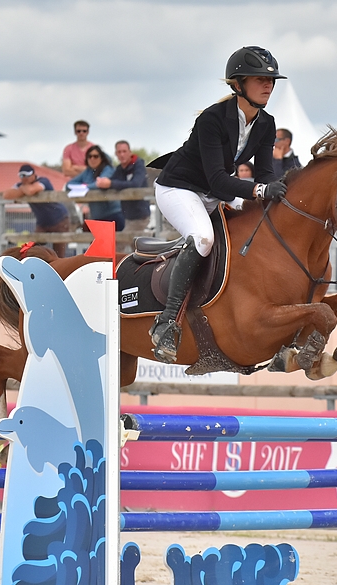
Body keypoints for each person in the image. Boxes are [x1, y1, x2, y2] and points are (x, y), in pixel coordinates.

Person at [147, 46, 285, 363]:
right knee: (204, 239)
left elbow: (264, 174)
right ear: (238, 85)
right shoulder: (212, 119)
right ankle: (167, 323)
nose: (268, 86)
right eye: (260, 79)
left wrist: (280, 189)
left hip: (214, 191)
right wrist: (263, 190)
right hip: (178, 189)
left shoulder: (266, 123)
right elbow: (221, 180)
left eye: (271, 80)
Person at [2, 164, 71, 257]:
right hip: (43, 223)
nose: (25, 178)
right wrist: (24, 189)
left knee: (59, 253)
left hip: (59, 220)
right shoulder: (21, 185)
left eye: (27, 175)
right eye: (22, 176)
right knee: (32, 249)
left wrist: (21, 190)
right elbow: (6, 194)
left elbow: (31, 190)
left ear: (34, 175)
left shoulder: (44, 181)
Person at [95, 141, 150, 233]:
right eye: (119, 152)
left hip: (140, 216)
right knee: (133, 244)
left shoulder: (138, 165)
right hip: (128, 217)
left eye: (124, 151)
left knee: (120, 244)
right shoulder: (120, 169)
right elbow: (112, 182)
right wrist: (102, 184)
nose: (122, 155)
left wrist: (110, 184)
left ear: (130, 152)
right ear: (116, 154)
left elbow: (135, 184)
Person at [67, 146, 123, 231]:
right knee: (98, 244)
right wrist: (86, 186)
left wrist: (84, 186)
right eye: (90, 156)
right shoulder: (88, 172)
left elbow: (99, 184)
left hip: (112, 215)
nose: (92, 159)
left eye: (96, 156)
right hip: (96, 217)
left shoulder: (108, 169)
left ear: (101, 158)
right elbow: (69, 185)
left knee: (115, 243)